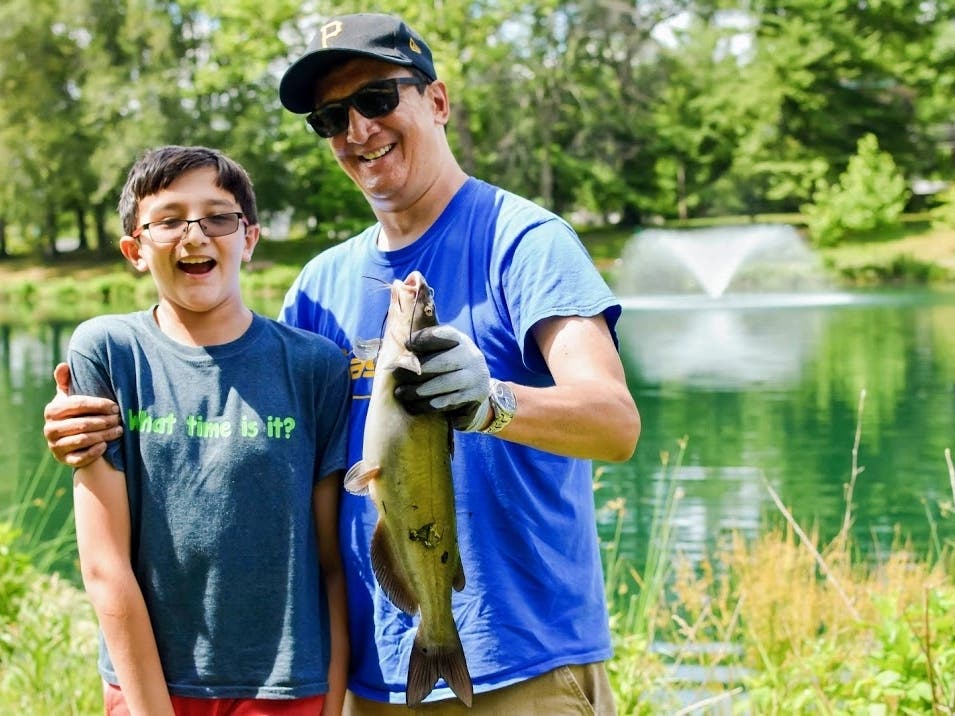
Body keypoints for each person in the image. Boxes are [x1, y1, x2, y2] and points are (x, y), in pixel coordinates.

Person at [44, 12, 640, 715]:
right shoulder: (319, 285)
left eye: (379, 99)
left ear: (437, 101)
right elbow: (251, 448)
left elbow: (614, 424)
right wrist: (91, 427)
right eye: (331, 116)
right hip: (363, 677)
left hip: (519, 665)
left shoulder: (525, 242)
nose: (358, 129)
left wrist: (494, 404)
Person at [64, 145, 350, 715]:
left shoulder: (316, 366)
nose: (195, 236)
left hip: (287, 687)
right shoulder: (109, 352)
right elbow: (103, 564)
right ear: (135, 249)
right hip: (149, 685)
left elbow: (331, 562)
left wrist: (334, 693)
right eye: (168, 220)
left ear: (249, 237)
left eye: (218, 216)